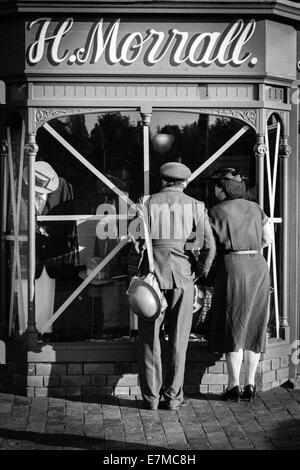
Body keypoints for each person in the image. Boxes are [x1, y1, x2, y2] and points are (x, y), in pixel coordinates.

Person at [130, 162, 216, 410]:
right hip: (182, 278)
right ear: (185, 183)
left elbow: (135, 242)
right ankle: (173, 397)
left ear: (162, 181)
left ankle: (151, 399)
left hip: (151, 281)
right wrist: (199, 272)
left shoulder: (145, 202)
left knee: (150, 340)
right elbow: (209, 247)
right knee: (179, 340)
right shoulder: (196, 206)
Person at [207, 167, 273, 402]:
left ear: (224, 189)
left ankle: (233, 384)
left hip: (232, 267)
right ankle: (250, 384)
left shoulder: (214, 212)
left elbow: (208, 247)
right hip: (258, 265)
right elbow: (268, 239)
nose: (214, 189)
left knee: (232, 323)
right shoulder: (256, 208)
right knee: (255, 324)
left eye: (216, 186)